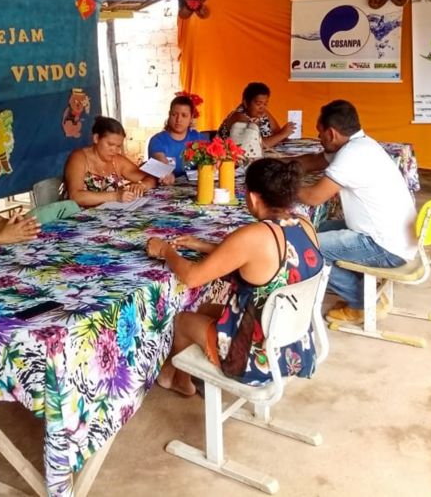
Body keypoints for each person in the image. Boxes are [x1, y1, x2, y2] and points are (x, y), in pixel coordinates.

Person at [146, 158, 324, 395]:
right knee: (205, 309)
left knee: (182, 321)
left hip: (258, 358)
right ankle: (171, 374)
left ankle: (180, 380)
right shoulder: (304, 224)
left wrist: (165, 251)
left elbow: (192, 277)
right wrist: (204, 246)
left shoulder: (255, 235)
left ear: (252, 197)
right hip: (295, 343)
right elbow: (269, 261)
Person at [298, 100, 417, 323]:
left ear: (331, 133)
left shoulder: (350, 156)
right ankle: (357, 288)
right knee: (316, 228)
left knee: (307, 247)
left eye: (319, 133)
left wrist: (280, 184)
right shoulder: (361, 144)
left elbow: (314, 197)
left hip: (385, 247)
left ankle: (363, 303)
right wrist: (285, 166)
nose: (318, 138)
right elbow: (315, 161)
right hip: (396, 238)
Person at [64, 116, 157, 208]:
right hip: (80, 218)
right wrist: (116, 196)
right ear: (96, 138)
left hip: (109, 217)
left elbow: (150, 177)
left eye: (118, 146)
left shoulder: (117, 160)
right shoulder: (79, 158)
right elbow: (76, 196)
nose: (115, 150)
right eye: (110, 144)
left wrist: (142, 185)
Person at [217, 82, 295, 148]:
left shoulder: (263, 113)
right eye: (258, 104)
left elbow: (276, 131)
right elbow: (254, 144)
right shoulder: (238, 117)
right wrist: (283, 134)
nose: (262, 108)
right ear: (246, 103)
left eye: (265, 104)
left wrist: (287, 132)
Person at [147, 95, 204, 185]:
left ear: (191, 118)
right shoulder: (157, 140)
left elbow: (212, 159)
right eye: (174, 114)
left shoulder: (199, 138)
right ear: (169, 114)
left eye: (184, 115)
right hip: (165, 190)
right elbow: (160, 159)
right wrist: (167, 173)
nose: (178, 119)